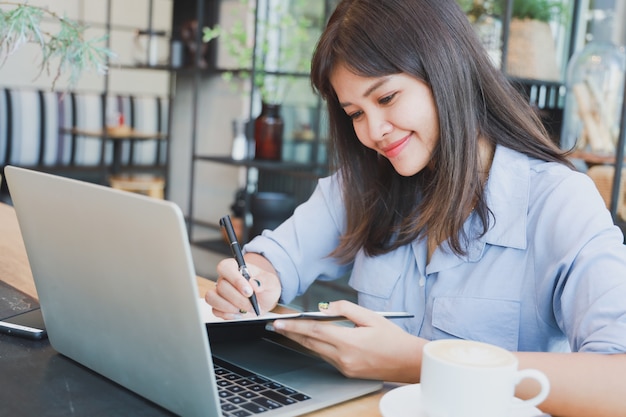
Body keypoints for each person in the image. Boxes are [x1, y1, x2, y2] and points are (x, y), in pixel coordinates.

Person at [205, 0, 626, 416]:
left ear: (446, 67)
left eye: (386, 97)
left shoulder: (558, 202)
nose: (374, 132)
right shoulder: (364, 183)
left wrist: (420, 362)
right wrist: (256, 278)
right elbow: (275, 259)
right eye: (355, 113)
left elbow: (618, 383)